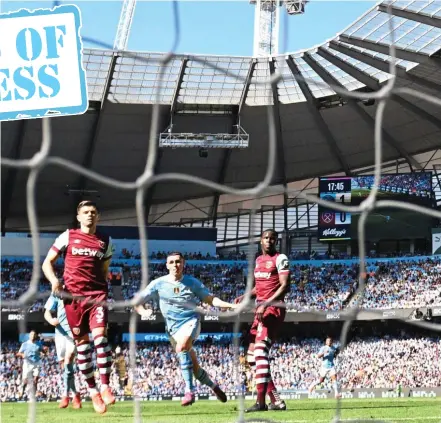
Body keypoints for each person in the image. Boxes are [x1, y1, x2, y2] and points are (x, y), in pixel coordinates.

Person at [134, 251, 236, 406]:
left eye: (178, 262)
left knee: (182, 347)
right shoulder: (158, 283)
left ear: (183, 264)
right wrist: (144, 311)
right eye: (172, 262)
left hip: (191, 322)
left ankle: (189, 391)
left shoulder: (192, 282)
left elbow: (210, 299)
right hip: (172, 329)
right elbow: (137, 301)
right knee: (194, 368)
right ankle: (214, 387)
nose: (175, 265)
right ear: (167, 265)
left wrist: (230, 305)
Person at [42, 200, 115, 414]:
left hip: (96, 296)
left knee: (100, 339)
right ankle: (93, 392)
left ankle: (106, 386)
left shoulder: (105, 241)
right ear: (79, 217)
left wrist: (99, 288)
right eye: (86, 212)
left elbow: (104, 269)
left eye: (93, 212)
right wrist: (55, 281)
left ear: (98, 216)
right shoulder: (68, 236)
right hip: (72, 299)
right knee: (82, 347)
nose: (90, 215)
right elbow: (47, 262)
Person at [234, 229, 290, 413]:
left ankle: (261, 403)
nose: (269, 241)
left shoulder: (280, 258)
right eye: (266, 238)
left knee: (259, 352)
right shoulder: (258, 260)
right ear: (260, 241)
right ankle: (276, 400)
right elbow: (260, 287)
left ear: (276, 241)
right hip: (261, 309)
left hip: (273, 309)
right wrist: (245, 296)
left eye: (272, 239)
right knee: (251, 358)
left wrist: (265, 304)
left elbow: (285, 285)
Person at [44, 293, 82, 409]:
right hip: (60, 334)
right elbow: (47, 312)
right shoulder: (57, 293)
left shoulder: (79, 291)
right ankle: (75, 394)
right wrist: (51, 320)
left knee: (68, 359)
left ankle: (65, 395)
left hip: (73, 334)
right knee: (66, 368)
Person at [16, 330, 45, 401]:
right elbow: (18, 353)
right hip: (27, 363)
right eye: (31, 335)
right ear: (29, 336)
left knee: (35, 380)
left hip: (36, 362)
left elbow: (43, 351)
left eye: (33, 335)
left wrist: (44, 352)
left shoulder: (39, 344)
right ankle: (22, 390)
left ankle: (33, 396)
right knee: (25, 380)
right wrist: (22, 354)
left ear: (35, 336)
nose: (32, 336)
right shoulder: (25, 344)